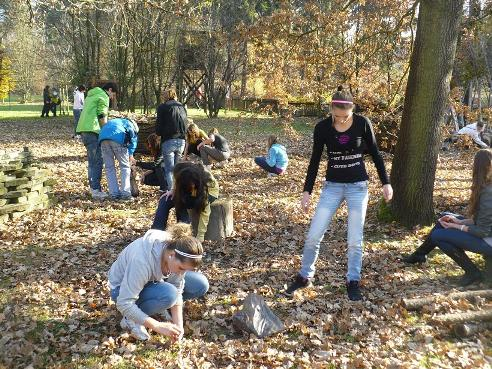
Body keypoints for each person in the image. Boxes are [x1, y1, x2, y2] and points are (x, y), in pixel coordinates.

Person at [284, 87, 393, 301]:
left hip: (358, 187)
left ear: (352, 109)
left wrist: (385, 183)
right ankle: (305, 276)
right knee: (313, 235)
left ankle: (353, 280)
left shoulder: (362, 123)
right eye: (338, 116)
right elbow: (315, 160)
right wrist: (307, 191)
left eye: (346, 116)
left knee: (354, 239)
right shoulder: (323, 128)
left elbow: (376, 154)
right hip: (332, 186)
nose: (342, 120)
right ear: (332, 109)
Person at [402, 149, 492, 286]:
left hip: (488, 241)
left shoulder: (488, 192)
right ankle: (419, 254)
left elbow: (483, 231)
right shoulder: (486, 188)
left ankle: (472, 272)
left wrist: (457, 226)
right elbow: (480, 220)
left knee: (438, 235)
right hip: (485, 233)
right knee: (444, 217)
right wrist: (457, 220)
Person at [108, 223, 209, 341]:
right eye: (182, 268)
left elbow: (177, 287)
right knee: (169, 294)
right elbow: (124, 302)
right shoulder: (142, 260)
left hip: (153, 282)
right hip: (120, 290)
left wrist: (178, 325)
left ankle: (157, 305)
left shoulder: (177, 249)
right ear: (171, 255)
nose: (182, 274)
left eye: (186, 270)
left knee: (200, 284)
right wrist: (157, 326)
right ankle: (131, 319)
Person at [151, 162, 219, 242]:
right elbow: (175, 178)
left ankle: (183, 234)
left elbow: (205, 213)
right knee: (165, 199)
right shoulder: (182, 170)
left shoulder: (204, 184)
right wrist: (173, 190)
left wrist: (200, 236)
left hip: (207, 193)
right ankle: (156, 232)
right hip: (188, 190)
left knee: (183, 200)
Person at [76, 82, 118, 199]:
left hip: (84, 129)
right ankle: (96, 190)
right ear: (110, 90)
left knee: (92, 161)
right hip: (93, 130)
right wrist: (107, 133)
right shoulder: (103, 96)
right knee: (98, 161)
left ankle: (92, 187)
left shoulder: (91, 95)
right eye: (113, 94)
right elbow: (101, 116)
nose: (112, 97)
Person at [155, 89, 188, 191]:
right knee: (177, 169)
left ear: (165, 97)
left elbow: (159, 126)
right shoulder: (182, 106)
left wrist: (158, 134)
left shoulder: (162, 107)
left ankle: (172, 192)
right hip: (181, 140)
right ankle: (179, 190)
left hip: (168, 140)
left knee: (169, 170)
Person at [99, 118, 139, 201]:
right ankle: (125, 193)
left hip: (103, 139)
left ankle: (113, 193)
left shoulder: (118, 121)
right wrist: (130, 155)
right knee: (125, 167)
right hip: (118, 139)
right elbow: (133, 140)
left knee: (109, 167)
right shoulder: (131, 125)